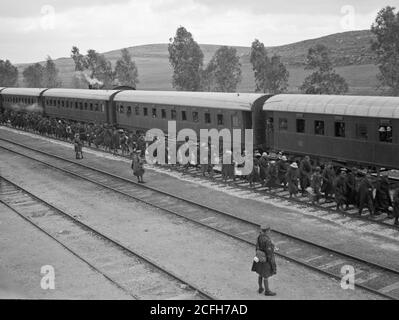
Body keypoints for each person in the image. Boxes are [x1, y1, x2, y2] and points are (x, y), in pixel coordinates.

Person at [251, 225, 277, 296]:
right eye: (269, 230)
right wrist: (270, 260)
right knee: (266, 276)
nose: (270, 231)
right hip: (265, 259)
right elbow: (269, 252)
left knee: (260, 274)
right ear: (267, 231)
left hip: (259, 257)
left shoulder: (259, 237)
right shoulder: (267, 240)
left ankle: (260, 288)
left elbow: (257, 246)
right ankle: (267, 291)